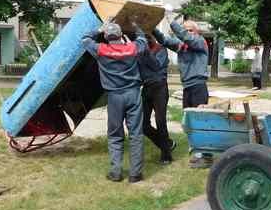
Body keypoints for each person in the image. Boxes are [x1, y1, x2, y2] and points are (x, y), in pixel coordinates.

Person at [82, 21, 148, 183]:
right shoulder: (132, 48)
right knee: (136, 134)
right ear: (120, 35)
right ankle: (135, 174)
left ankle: (116, 172)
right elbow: (143, 40)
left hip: (114, 97)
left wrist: (99, 28)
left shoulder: (101, 50)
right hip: (133, 94)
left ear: (105, 36)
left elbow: (85, 39)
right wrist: (135, 25)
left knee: (115, 135)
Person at [155, 14, 210, 167]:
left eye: (189, 30)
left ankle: (204, 156)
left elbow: (186, 37)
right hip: (187, 88)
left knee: (200, 122)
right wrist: (152, 28)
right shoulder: (182, 45)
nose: (186, 32)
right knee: (189, 122)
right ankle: (196, 151)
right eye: (185, 29)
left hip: (199, 87)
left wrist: (171, 21)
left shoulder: (200, 42)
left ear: (196, 32)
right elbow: (164, 40)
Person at [138, 33, 177, 165]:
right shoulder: (141, 50)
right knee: (143, 124)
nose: (147, 40)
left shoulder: (161, 50)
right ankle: (167, 144)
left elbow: (156, 65)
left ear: (153, 37)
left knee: (160, 122)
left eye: (149, 37)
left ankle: (166, 156)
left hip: (160, 88)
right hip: (147, 88)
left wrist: (145, 51)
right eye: (145, 38)